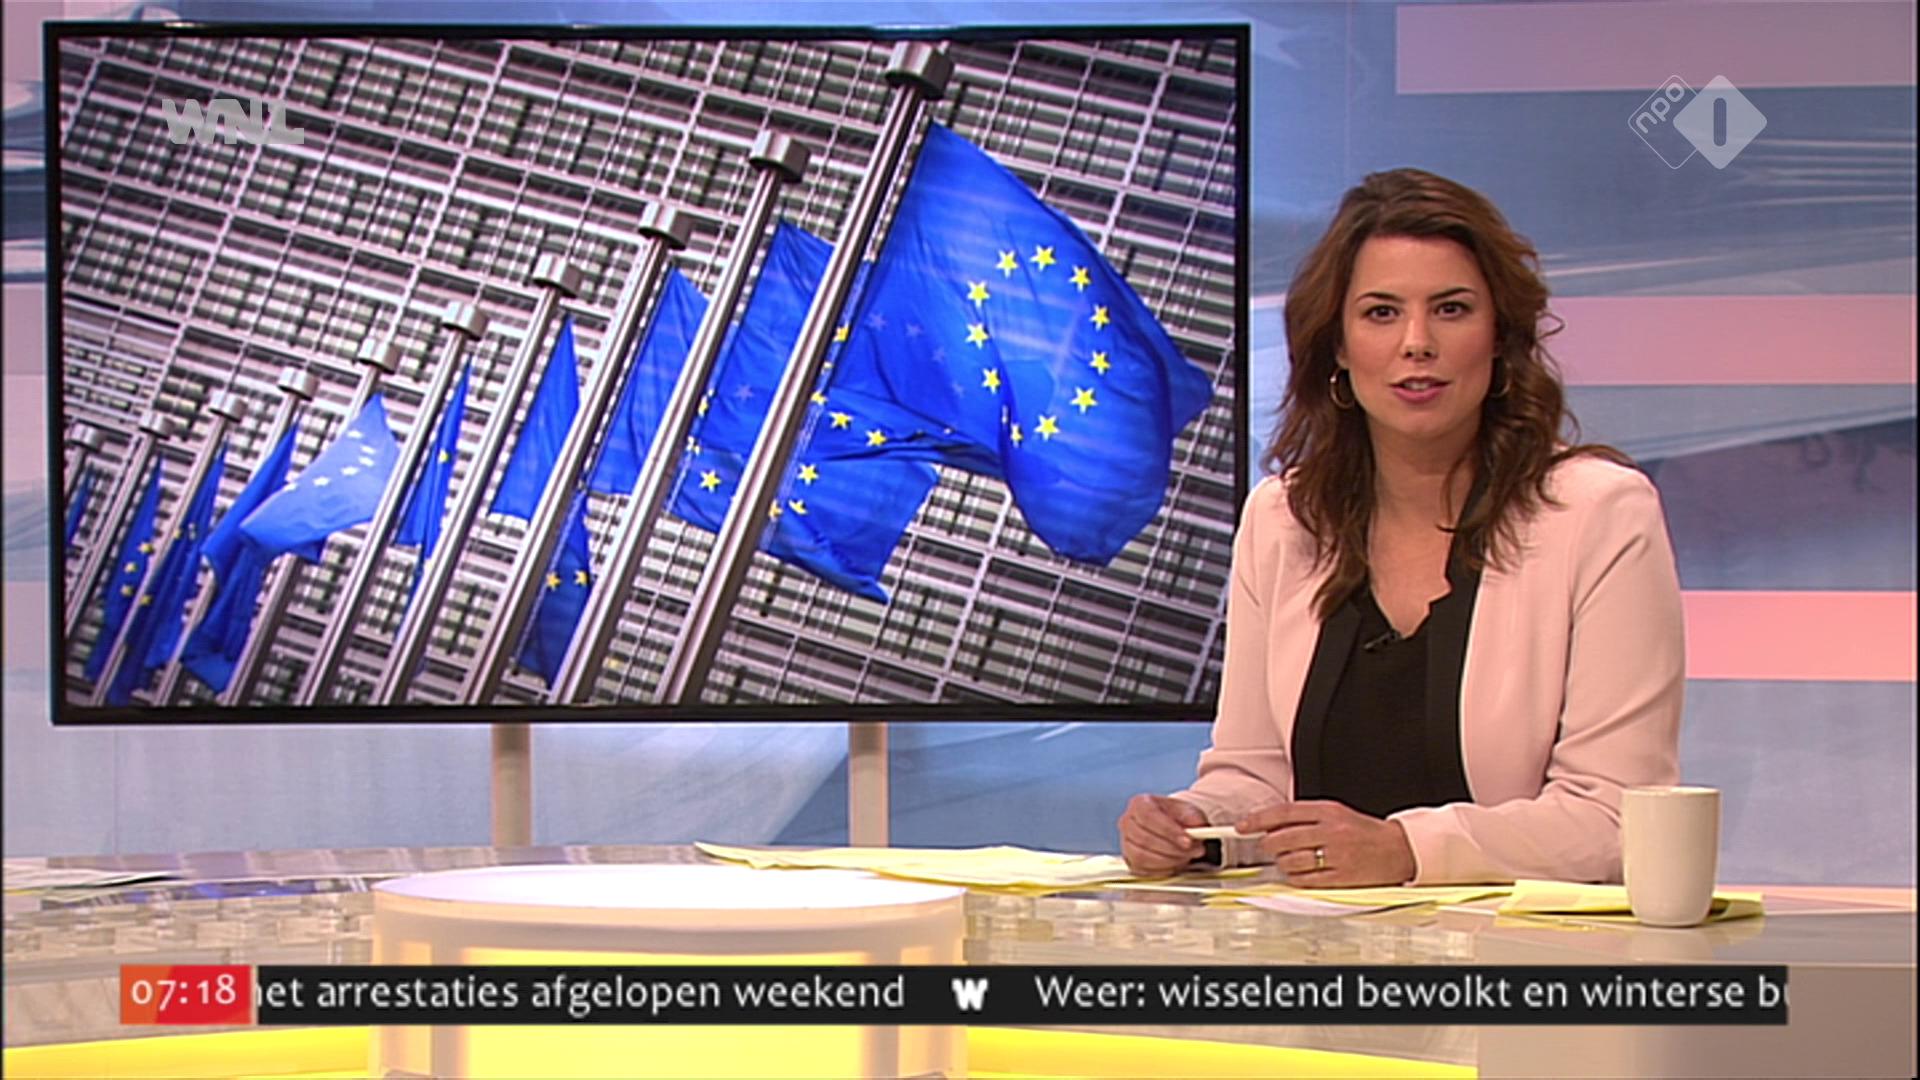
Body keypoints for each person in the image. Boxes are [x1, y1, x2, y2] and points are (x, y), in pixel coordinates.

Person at [1118, 168, 1684, 886]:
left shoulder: (1599, 514)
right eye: (1382, 312)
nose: (1417, 342)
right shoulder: (1283, 518)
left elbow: (1616, 815)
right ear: (1338, 345)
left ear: (1500, 337)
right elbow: (1258, 774)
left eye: (1451, 309)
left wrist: (1407, 850)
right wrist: (1193, 823)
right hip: (1314, 941)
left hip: (1522, 948)